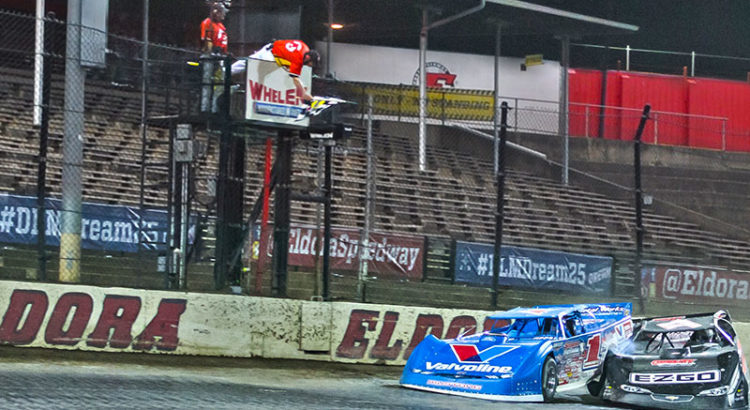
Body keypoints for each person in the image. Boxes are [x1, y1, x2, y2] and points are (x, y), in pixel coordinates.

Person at [232, 40, 320, 102]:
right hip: (270, 56)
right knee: (269, 75)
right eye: (311, 63)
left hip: (270, 48)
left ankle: (225, 70)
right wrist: (304, 93)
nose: (310, 65)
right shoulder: (299, 58)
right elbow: (295, 78)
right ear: (308, 58)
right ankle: (257, 97)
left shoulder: (304, 47)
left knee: (247, 62)